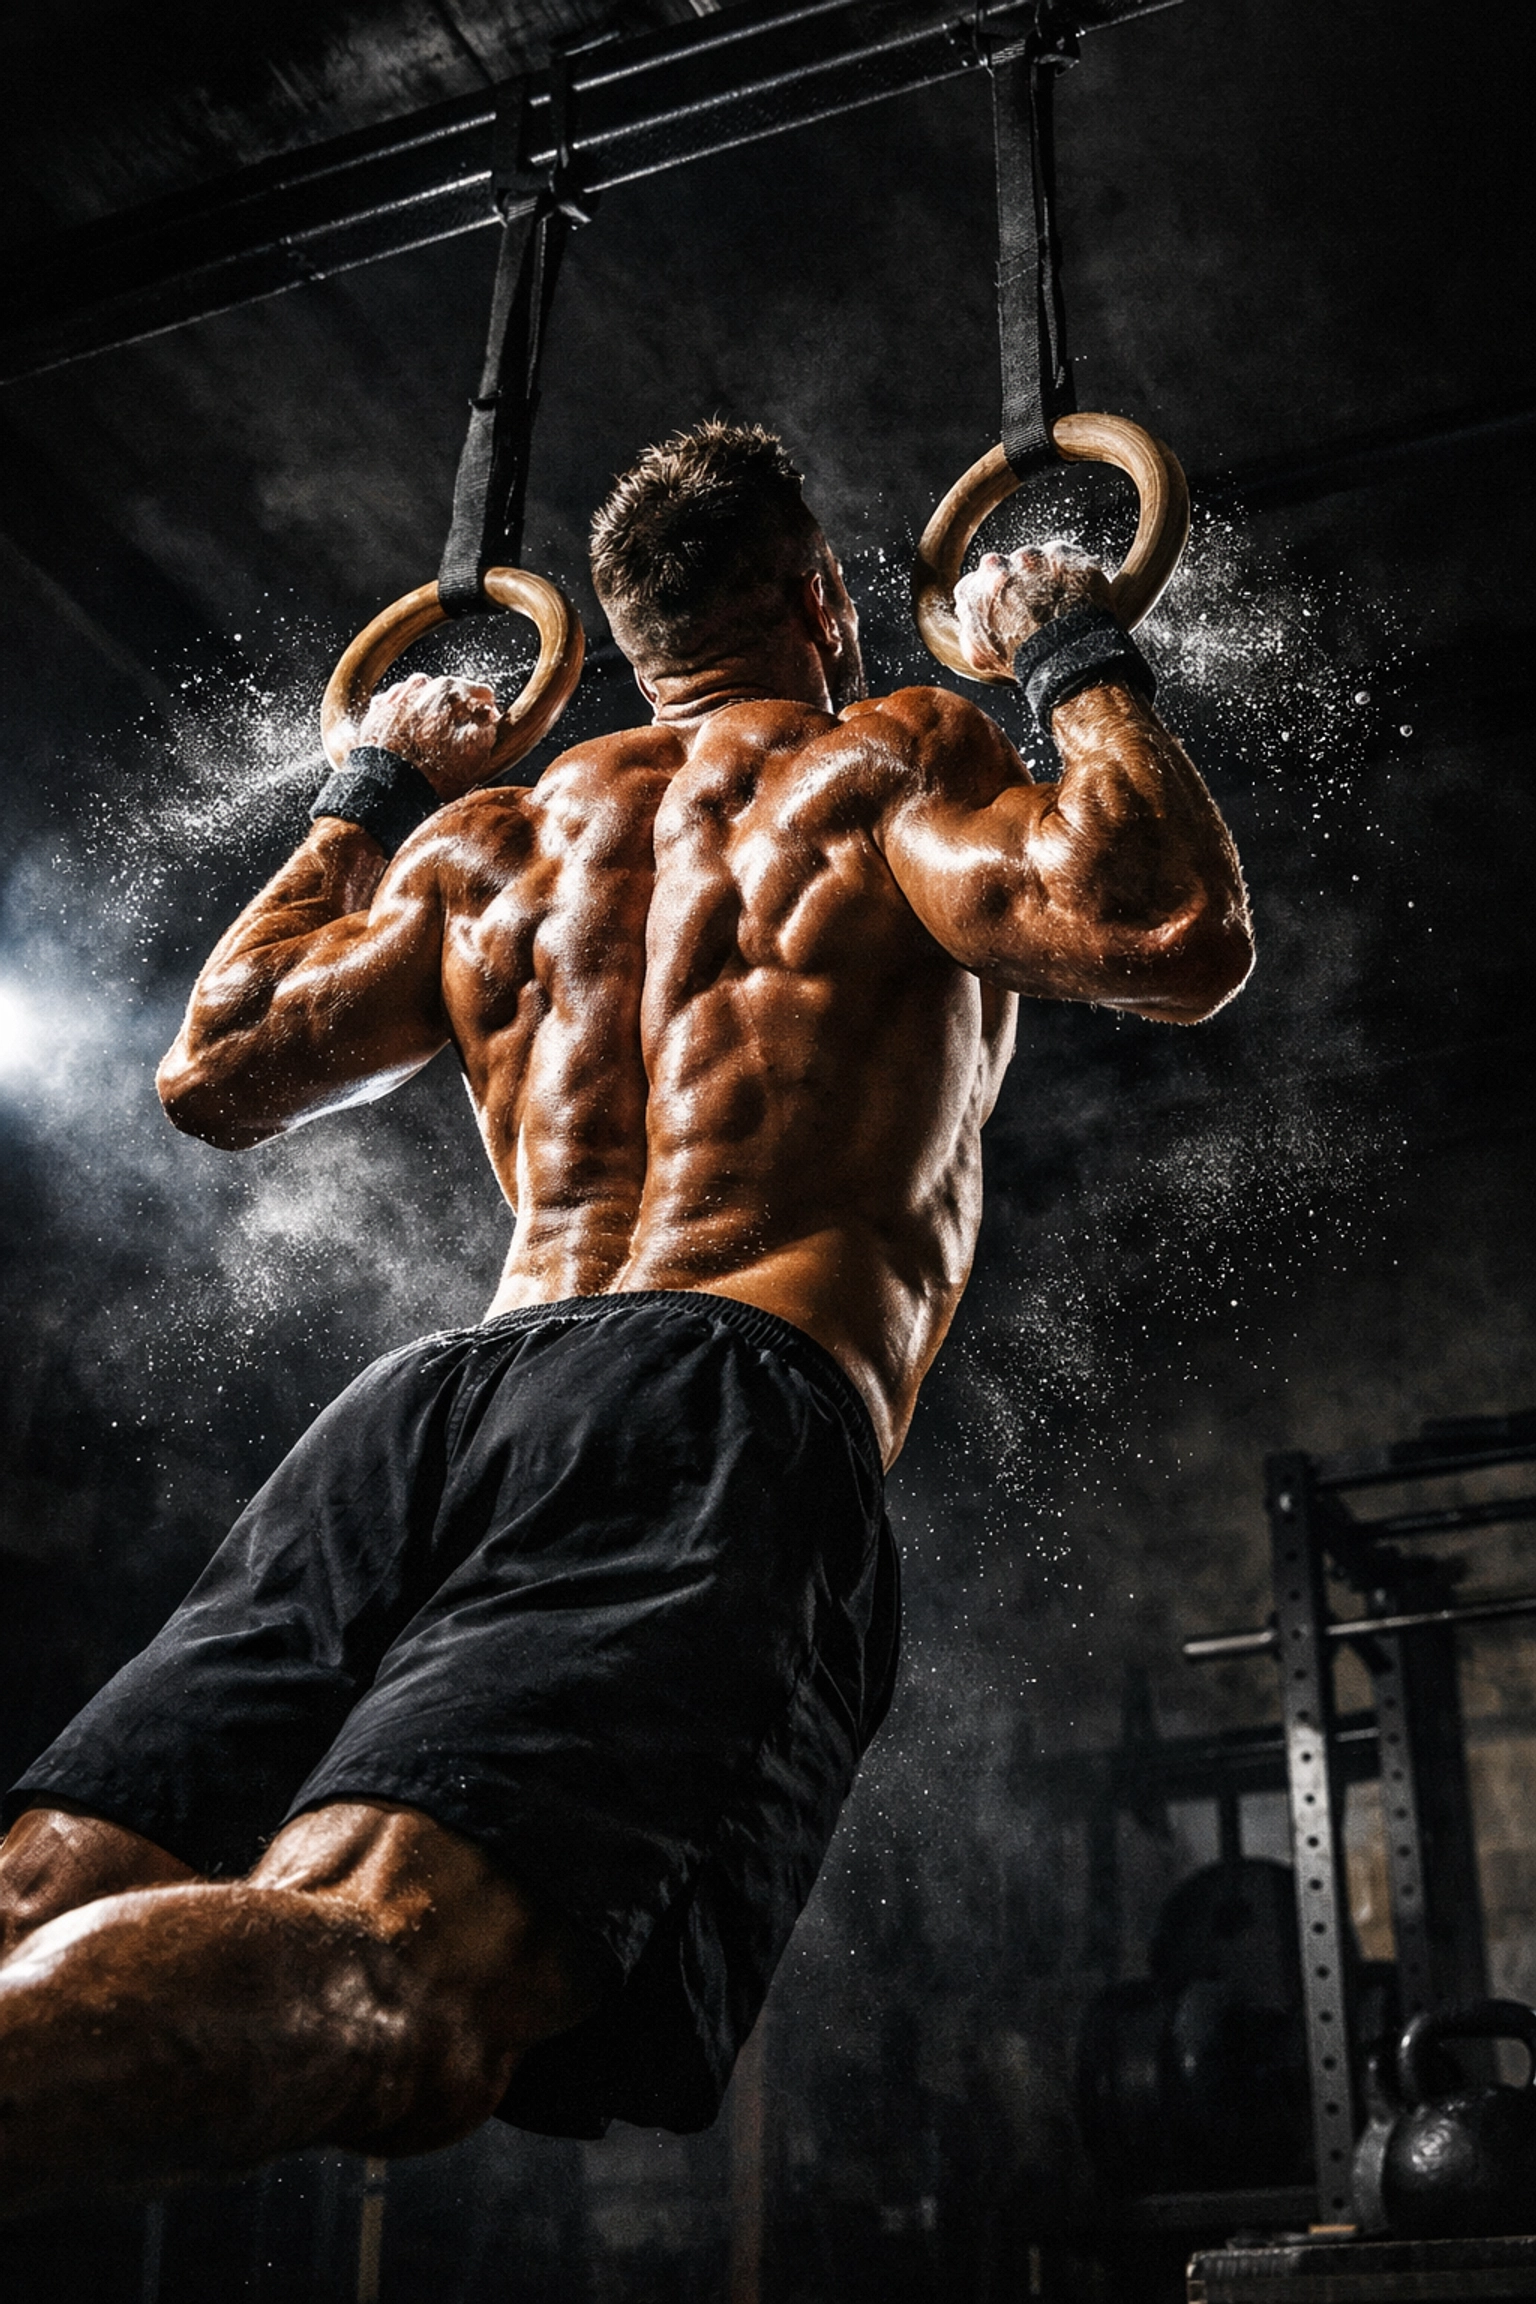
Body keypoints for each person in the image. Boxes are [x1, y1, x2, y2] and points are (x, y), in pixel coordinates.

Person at [0, 421, 1251, 2214]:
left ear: (620, 633)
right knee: (394, 1980)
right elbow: (1175, 925)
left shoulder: (492, 841)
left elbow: (214, 1069)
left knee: (44, 1889)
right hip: (709, 1394)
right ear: (827, 598)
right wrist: (1071, 650)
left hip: (428, 1404)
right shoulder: (887, 760)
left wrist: (366, 786)